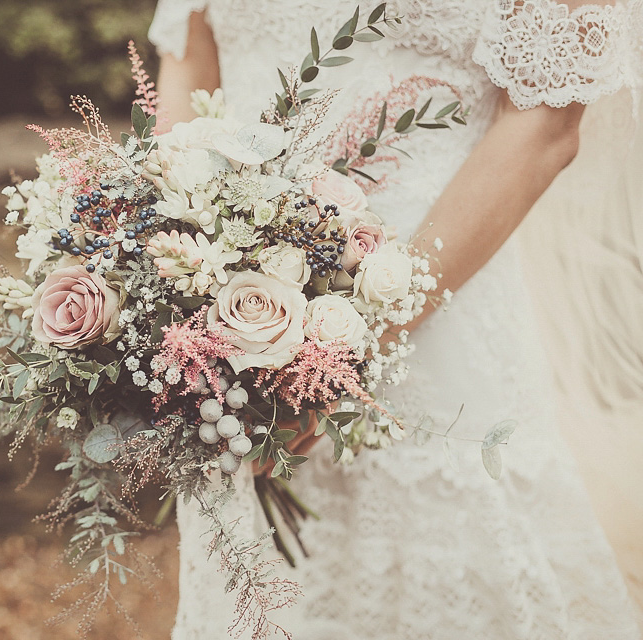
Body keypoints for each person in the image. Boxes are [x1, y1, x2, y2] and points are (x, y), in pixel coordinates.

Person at [148, 0, 643, 637]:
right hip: (234, 345)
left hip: (442, 334)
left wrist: (341, 354)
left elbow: (545, 125)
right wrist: (169, 280)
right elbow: (189, 66)